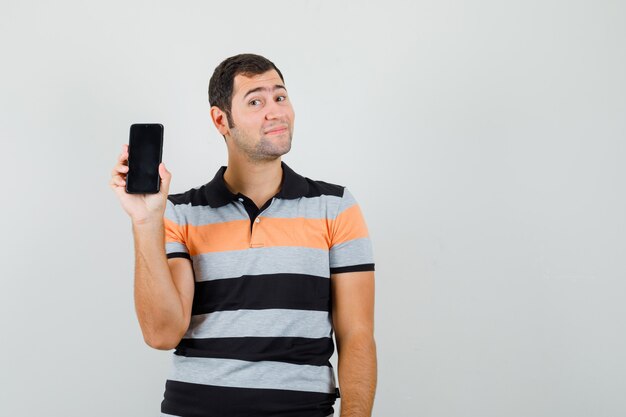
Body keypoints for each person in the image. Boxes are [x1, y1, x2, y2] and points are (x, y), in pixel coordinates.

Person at [110, 53, 376, 417]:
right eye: (256, 101)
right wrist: (145, 222)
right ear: (221, 120)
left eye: (280, 97)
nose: (276, 112)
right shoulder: (179, 213)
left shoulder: (335, 206)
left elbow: (357, 335)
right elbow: (162, 333)